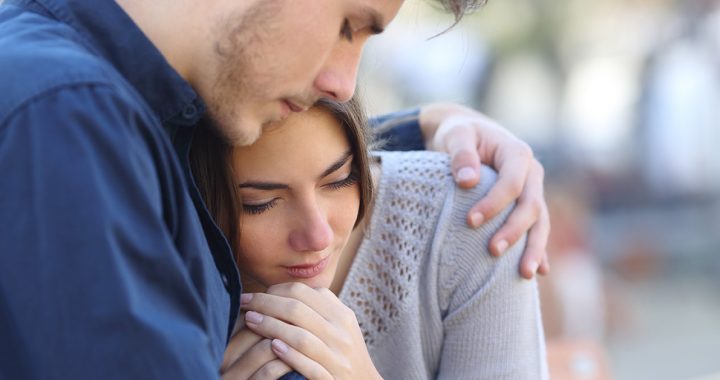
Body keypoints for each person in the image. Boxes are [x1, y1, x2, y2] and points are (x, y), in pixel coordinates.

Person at [0, 0, 548, 378]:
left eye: (339, 178)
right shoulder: (69, 122)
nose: (342, 82)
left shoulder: (109, 106)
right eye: (348, 25)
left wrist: (427, 127)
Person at [207, 98, 548, 379]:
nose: (318, 236)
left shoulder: (468, 219)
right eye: (259, 204)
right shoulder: (174, 261)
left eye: (340, 179)